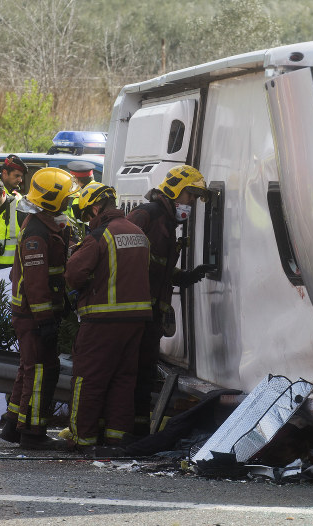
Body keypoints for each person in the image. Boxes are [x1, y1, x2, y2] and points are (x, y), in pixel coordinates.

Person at [65, 182, 152, 454]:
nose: (87, 221)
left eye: (86, 215)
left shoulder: (99, 236)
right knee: (123, 380)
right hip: (136, 321)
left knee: (88, 379)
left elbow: (73, 275)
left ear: (94, 208)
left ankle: (84, 439)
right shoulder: (139, 233)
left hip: (102, 321)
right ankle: (116, 438)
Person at [126, 165, 213, 435]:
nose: (192, 204)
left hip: (150, 314)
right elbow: (127, 260)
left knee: (144, 374)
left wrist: (184, 277)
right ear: (176, 189)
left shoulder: (166, 221)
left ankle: (138, 433)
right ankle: (125, 432)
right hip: (137, 312)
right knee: (132, 373)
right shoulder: (148, 215)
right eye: (191, 196)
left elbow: (158, 267)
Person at [0, 167, 77, 450]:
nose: (70, 202)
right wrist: (45, 319)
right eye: (67, 197)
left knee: (30, 368)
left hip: (36, 313)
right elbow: (36, 282)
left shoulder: (48, 223)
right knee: (41, 371)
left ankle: (13, 425)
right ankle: (32, 433)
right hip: (33, 314)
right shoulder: (36, 232)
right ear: (53, 199)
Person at [66, 160, 96, 226]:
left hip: (85, 229)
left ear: (76, 179)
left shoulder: (88, 192)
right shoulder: (93, 188)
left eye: (73, 178)